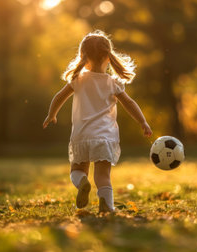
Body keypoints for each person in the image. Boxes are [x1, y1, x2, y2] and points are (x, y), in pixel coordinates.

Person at [43, 30, 152, 213]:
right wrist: (143, 122)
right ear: (108, 58)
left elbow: (59, 96)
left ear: (83, 57)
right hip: (104, 137)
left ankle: (82, 183)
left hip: (82, 136)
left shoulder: (78, 80)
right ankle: (107, 206)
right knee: (103, 176)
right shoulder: (112, 83)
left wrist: (51, 114)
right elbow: (130, 103)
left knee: (77, 170)